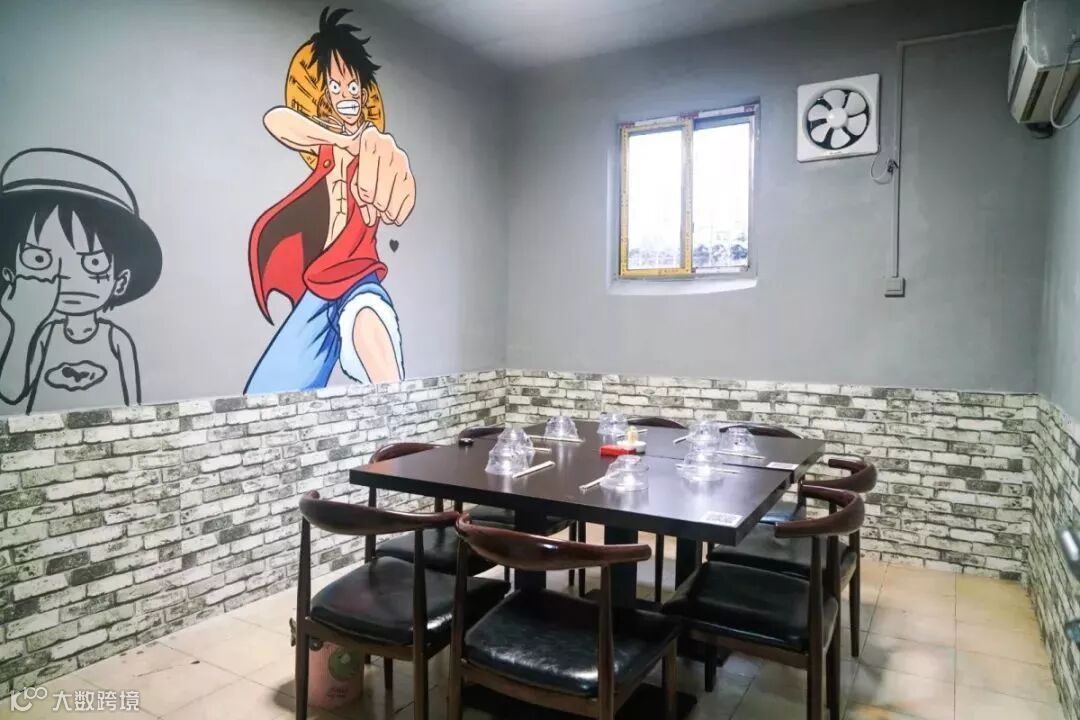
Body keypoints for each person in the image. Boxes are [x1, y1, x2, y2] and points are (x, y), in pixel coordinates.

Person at [247, 7, 416, 393]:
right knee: (262, 393)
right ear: (325, 93)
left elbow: (399, 190)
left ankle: (400, 419)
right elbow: (278, 121)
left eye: (353, 86)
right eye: (336, 87)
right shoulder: (328, 148)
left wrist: (389, 179)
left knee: (370, 326)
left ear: (364, 91)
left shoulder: (374, 147)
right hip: (317, 287)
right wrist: (340, 140)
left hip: (358, 278)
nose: (346, 96)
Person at [0, 147, 162, 413]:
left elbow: (135, 406)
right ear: (10, 274)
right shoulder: (44, 336)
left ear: (120, 282)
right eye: (39, 259)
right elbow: (11, 393)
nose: (65, 275)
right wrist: (24, 324)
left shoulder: (116, 340)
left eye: (93, 262)